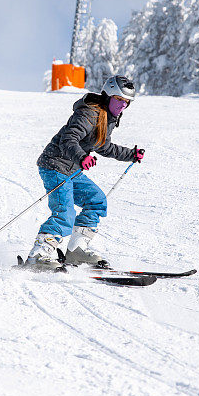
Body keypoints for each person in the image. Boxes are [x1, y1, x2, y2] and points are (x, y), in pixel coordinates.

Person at [25, 75, 145, 270]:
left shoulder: (108, 118)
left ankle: (77, 249)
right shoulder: (89, 113)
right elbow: (68, 139)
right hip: (55, 164)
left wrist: (130, 154)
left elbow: (103, 146)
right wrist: (82, 157)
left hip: (71, 169)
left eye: (126, 102)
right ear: (107, 96)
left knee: (96, 200)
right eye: (119, 100)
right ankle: (39, 253)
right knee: (65, 212)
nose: (122, 105)